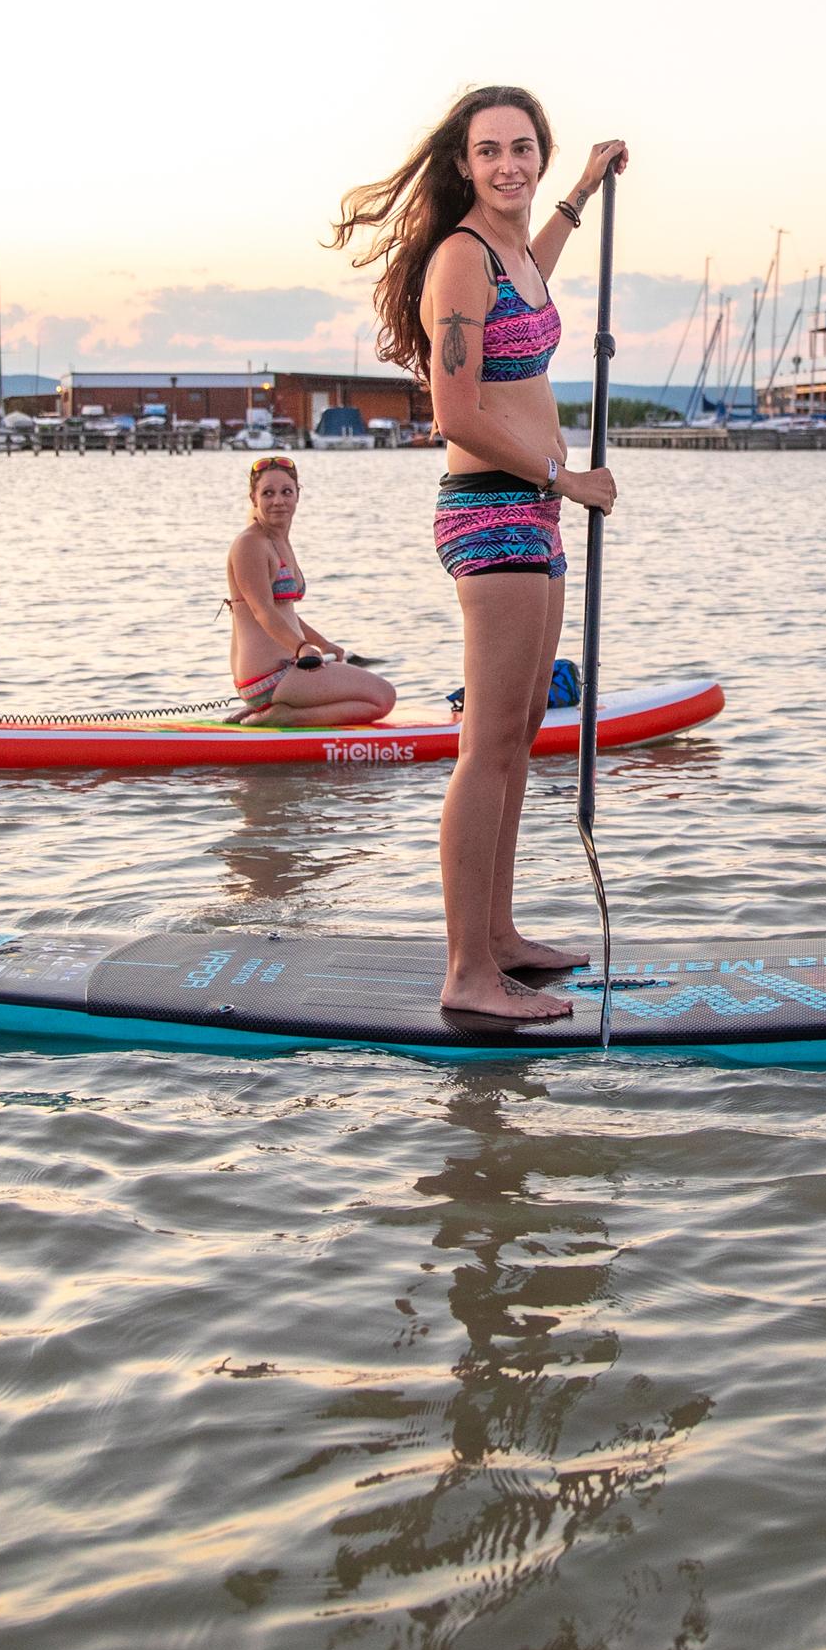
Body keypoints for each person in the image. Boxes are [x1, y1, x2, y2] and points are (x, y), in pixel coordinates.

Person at [331, 86, 628, 1021]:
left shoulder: (509, 253)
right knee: (486, 745)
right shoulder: (461, 260)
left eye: (525, 148)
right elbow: (454, 412)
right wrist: (564, 476)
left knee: (519, 733)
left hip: (530, 514)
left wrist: (580, 190)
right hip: (493, 511)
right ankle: (467, 972)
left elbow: (534, 271)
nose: (510, 165)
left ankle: (499, 937)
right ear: (463, 163)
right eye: (490, 150)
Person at [225, 455, 395, 728]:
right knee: (383, 698)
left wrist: (323, 644)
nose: (278, 500)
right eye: (268, 493)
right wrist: (302, 647)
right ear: (253, 498)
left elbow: (285, 613)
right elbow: (262, 611)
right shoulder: (250, 544)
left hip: (290, 669)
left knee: (377, 695)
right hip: (268, 678)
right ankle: (282, 715)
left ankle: (276, 710)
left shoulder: (279, 540)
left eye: (286, 492)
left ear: (297, 496)